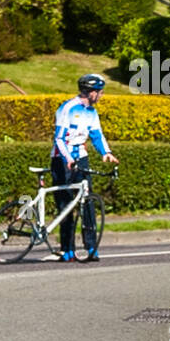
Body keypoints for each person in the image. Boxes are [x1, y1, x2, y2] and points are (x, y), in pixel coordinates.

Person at [51, 74, 119, 262]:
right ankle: (67, 249)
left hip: (81, 158)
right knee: (66, 206)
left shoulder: (92, 112)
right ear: (91, 92)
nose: (102, 96)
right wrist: (67, 159)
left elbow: (97, 134)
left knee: (87, 202)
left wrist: (106, 152)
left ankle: (90, 247)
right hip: (62, 159)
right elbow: (59, 138)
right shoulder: (68, 108)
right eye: (100, 92)